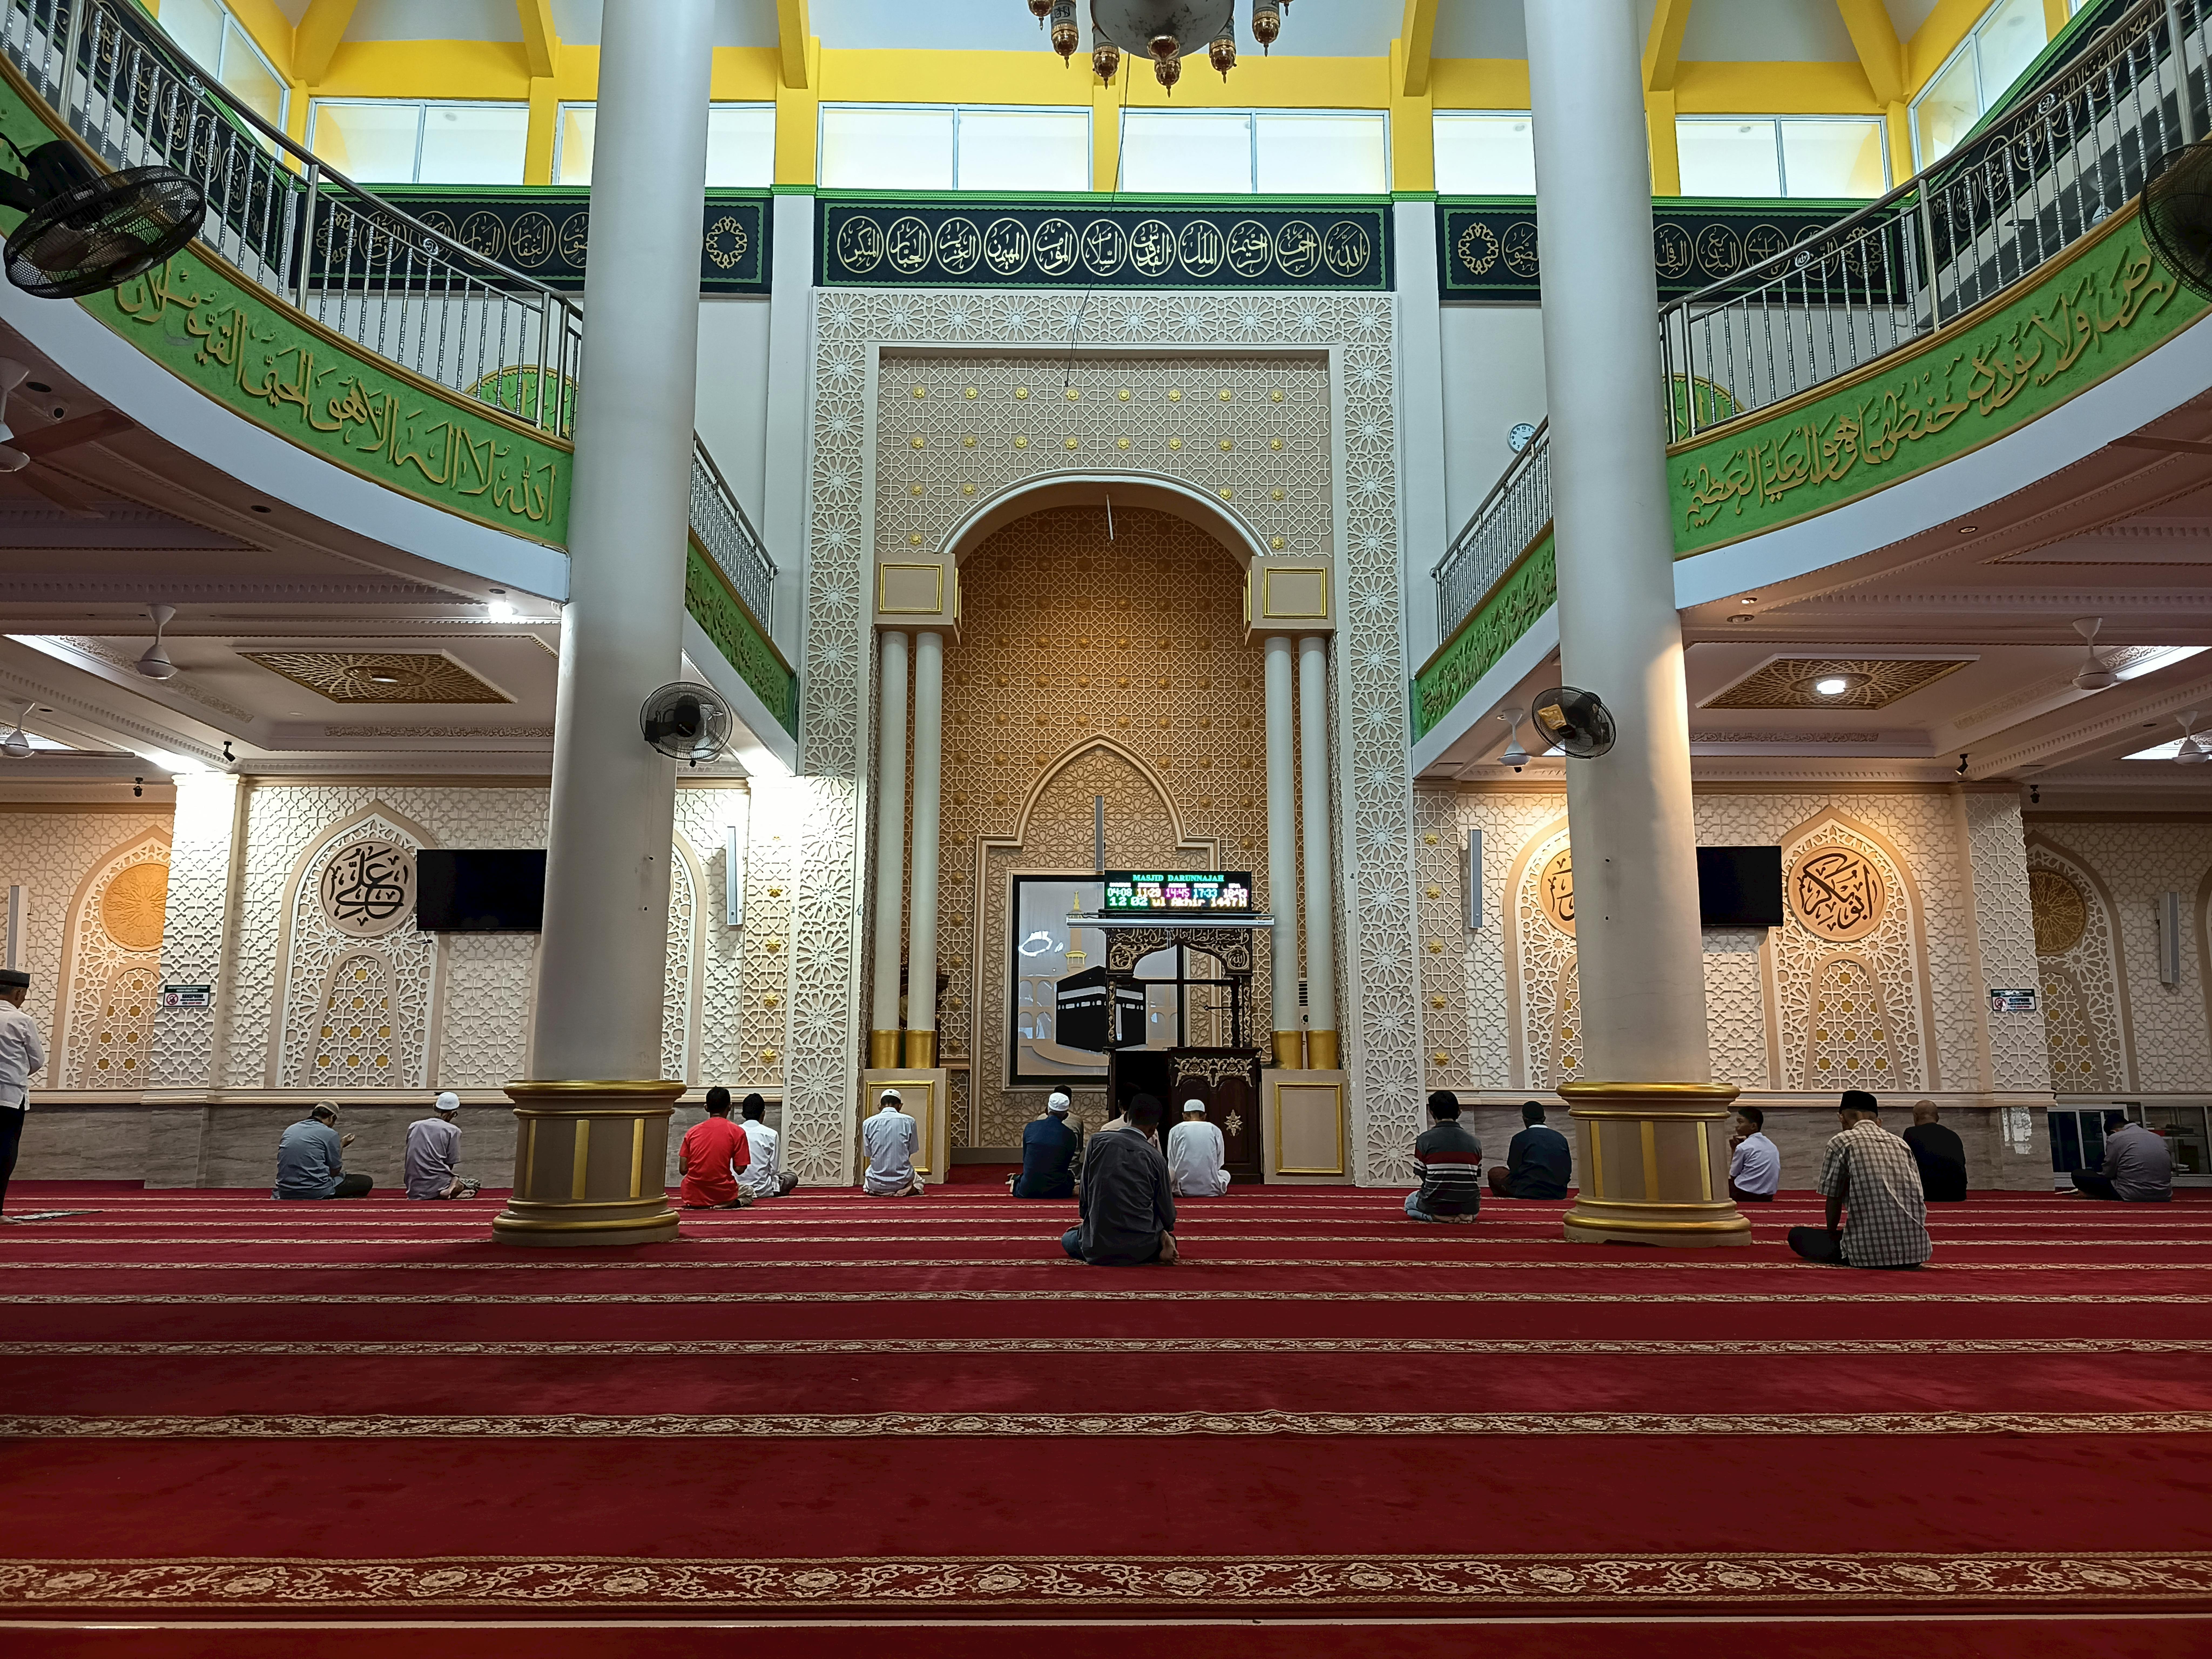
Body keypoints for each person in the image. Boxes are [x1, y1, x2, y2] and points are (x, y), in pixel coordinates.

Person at [1787, 1092, 1931, 1268]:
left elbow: (1834, 1198)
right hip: (1916, 1253)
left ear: (1842, 1118)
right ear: (1878, 1120)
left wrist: (1831, 1234)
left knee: (1797, 1236)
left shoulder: (1842, 1141)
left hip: (1867, 1254)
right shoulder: (1901, 1144)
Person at [1063, 1093, 1177, 1264]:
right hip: (1142, 1248)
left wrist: (1089, 1223)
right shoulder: (1156, 1158)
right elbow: (1168, 1215)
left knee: (1068, 1239)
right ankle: (1165, 1241)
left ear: (1126, 1116)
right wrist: (1164, 1230)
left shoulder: (1096, 1142)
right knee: (1166, 1235)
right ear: (1154, 1129)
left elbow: (1085, 1198)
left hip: (1097, 1245)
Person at [0, 967, 46, 1220]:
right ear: (18, 994)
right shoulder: (21, 1021)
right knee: (4, 1153)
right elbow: (37, 1061)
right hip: (10, 1098)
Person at [1406, 1090, 1483, 1223]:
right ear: (1459, 1112)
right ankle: (1465, 1215)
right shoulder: (1475, 1142)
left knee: (1409, 1204)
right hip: (1470, 1206)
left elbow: (1423, 1174)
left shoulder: (1424, 1140)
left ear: (1432, 1113)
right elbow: (1475, 1175)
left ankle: (1437, 1217)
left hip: (1436, 1204)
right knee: (1473, 1210)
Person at [273, 1102, 372, 1201]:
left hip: (285, 1191)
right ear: (332, 1118)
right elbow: (335, 1171)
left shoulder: (290, 1130)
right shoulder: (330, 1133)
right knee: (366, 1182)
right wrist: (341, 1145)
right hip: (315, 1190)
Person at [676, 1087, 753, 1210]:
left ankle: (701, 1203)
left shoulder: (692, 1132)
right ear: (730, 1107)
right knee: (750, 1193)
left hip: (692, 1194)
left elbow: (683, 1169)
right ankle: (728, 1203)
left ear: (706, 1108)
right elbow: (740, 1169)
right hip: (723, 1193)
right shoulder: (737, 1132)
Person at [2072, 1112, 2174, 1202]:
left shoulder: (2116, 1137)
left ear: (2113, 1132)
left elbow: (2108, 1173)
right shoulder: (2157, 1137)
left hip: (2131, 1194)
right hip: (2163, 1194)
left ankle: (2093, 1195)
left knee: (2078, 1174)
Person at [403, 1091, 480, 1201]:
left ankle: (449, 1191)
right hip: (439, 1184)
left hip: (413, 1187)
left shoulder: (414, 1126)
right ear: (454, 1113)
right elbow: (450, 1164)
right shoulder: (453, 1131)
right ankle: (451, 1188)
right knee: (474, 1183)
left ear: (434, 1107)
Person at [1489, 1100, 1572, 1199]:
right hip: (1558, 1192)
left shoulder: (1519, 1138)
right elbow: (1567, 1169)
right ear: (1544, 1119)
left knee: (1495, 1173)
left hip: (1527, 1190)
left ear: (1525, 1119)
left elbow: (1514, 1168)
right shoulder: (1561, 1138)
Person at [1011, 1091, 1081, 1199]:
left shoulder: (1030, 1128)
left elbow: (1026, 1159)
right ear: (1066, 1115)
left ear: (1048, 1110)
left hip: (1027, 1190)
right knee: (1070, 1177)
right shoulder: (1070, 1135)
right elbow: (1065, 1166)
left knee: (1022, 1178)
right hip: (1059, 1191)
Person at [862, 1088, 926, 1197]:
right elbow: (911, 1150)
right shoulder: (909, 1121)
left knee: (869, 1176)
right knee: (919, 1180)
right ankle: (908, 1188)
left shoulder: (868, 1123)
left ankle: (880, 1191)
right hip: (903, 1181)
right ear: (900, 1106)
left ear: (880, 1106)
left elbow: (869, 1153)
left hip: (876, 1182)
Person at [1902, 1100, 1968, 1203]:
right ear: (1937, 1117)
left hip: (1927, 1194)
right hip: (1957, 1193)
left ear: (1916, 1116)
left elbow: (1905, 1165)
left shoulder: (1911, 1134)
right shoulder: (1953, 1136)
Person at [736, 1094, 800, 1199]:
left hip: (738, 1189)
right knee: (792, 1177)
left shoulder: (734, 1132)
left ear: (743, 1114)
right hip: (763, 1189)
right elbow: (775, 1170)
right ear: (764, 1114)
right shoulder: (771, 1134)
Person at [1166, 1097, 1231, 1197]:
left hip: (1183, 1188)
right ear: (1204, 1116)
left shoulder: (1176, 1130)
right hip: (1210, 1187)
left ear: (1184, 1116)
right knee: (1225, 1174)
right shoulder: (1214, 1130)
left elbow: (1172, 1162)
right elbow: (1219, 1161)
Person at [1728, 1105, 1780, 1203]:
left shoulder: (1743, 1147)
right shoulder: (1772, 1146)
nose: (1737, 1126)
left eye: (1740, 1122)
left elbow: (1733, 1175)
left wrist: (1734, 1149)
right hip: (1767, 1196)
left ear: (1753, 1126)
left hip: (1744, 1194)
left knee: (1716, 1185)